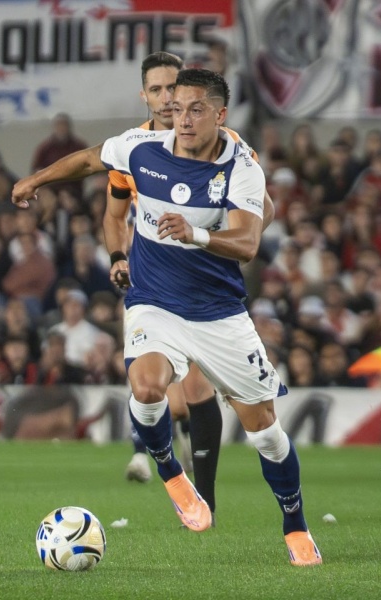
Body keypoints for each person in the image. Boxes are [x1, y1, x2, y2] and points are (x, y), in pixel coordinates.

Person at [12, 68, 321, 566]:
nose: (184, 119)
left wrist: (195, 234)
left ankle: (295, 524)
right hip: (154, 300)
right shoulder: (142, 148)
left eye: (196, 109)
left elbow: (247, 242)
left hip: (219, 313)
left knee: (265, 430)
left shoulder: (240, 166)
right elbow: (90, 159)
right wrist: (36, 179)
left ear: (220, 114)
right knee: (147, 387)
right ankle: (171, 473)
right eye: (177, 109)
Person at [105, 52, 274, 526]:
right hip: (153, 279)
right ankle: (158, 465)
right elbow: (115, 214)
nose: (166, 100)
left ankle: (205, 499)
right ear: (145, 95)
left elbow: (264, 209)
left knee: (198, 389)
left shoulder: (227, 144)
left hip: (206, 283)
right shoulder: (134, 149)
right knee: (149, 381)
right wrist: (118, 256)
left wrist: (217, 236)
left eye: (172, 91)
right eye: (157, 91)